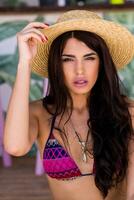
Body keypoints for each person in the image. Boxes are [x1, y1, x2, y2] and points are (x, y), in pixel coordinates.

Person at [3, 9, 134, 200]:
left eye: (89, 58)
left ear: (102, 62)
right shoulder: (40, 113)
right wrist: (25, 64)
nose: (79, 70)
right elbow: (15, 147)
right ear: (56, 64)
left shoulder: (127, 112)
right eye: (67, 59)